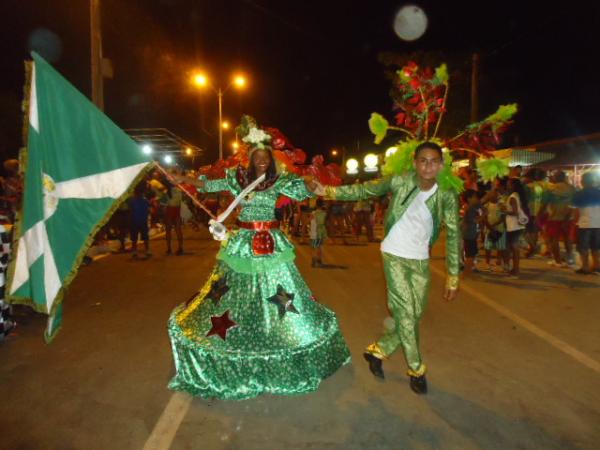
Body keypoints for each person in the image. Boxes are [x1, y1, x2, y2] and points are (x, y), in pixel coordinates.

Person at [167, 120, 350, 400]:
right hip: (242, 243)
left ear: (272, 160)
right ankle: (236, 335)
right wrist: (184, 179)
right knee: (235, 294)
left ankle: (278, 335)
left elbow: (305, 188)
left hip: (271, 243)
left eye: (266, 158)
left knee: (278, 294)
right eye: (258, 158)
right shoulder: (236, 178)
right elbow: (207, 185)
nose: (262, 162)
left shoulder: (280, 180)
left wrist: (315, 181)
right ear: (250, 160)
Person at [320, 141, 460, 395]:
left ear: (441, 165)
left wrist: (453, 275)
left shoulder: (447, 195)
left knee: (412, 316)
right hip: (394, 254)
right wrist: (328, 191)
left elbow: (453, 234)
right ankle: (417, 369)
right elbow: (365, 190)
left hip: (420, 260)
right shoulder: (400, 181)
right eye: (423, 160)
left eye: (433, 161)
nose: (428, 166)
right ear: (415, 163)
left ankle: (378, 351)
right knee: (406, 315)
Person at [540, 171, 575, 267]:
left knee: (553, 239)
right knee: (567, 239)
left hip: (554, 217)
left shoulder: (551, 188)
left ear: (555, 178)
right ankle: (570, 260)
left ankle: (558, 261)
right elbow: (574, 204)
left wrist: (539, 215)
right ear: (564, 177)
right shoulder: (572, 188)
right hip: (568, 217)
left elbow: (544, 204)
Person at [572, 172, 600, 274]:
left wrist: (575, 223)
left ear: (582, 182)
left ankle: (585, 267)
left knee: (583, 247)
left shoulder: (579, 194)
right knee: (596, 246)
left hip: (584, 224)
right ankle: (597, 266)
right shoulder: (599, 192)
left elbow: (575, 211)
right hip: (598, 224)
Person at [503, 178, 529, 278]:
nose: (507, 185)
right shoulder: (517, 195)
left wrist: (504, 211)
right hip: (515, 226)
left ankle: (516, 271)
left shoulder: (513, 197)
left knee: (514, 250)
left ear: (513, 185)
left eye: (509, 183)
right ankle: (514, 269)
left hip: (514, 226)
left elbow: (514, 212)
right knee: (514, 249)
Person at [482, 188, 508, 271]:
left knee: (500, 247)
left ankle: (499, 262)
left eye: (496, 194)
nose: (495, 196)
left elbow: (503, 217)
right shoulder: (486, 205)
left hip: (499, 229)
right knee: (488, 247)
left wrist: (493, 225)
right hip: (489, 229)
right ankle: (487, 263)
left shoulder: (501, 205)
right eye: (492, 194)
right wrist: (489, 227)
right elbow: (484, 218)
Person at [461, 189, 481, 274]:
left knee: (471, 253)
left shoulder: (468, 207)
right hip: (470, 234)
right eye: (474, 197)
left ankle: (468, 271)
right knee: (470, 254)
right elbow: (474, 220)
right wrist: (483, 215)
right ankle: (466, 272)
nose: (476, 198)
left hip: (469, 233)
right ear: (469, 199)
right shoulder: (470, 208)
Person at [129, 183, 151, 259]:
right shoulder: (145, 200)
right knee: (145, 237)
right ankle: (147, 250)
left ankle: (135, 251)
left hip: (135, 221)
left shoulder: (133, 201)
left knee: (134, 238)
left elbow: (131, 211)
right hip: (142, 220)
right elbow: (148, 210)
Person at [310, 199, 328, 267]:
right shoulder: (324, 213)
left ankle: (313, 259)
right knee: (320, 246)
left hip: (314, 231)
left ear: (316, 205)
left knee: (314, 247)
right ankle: (319, 259)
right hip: (321, 231)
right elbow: (325, 223)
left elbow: (311, 222)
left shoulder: (313, 213)